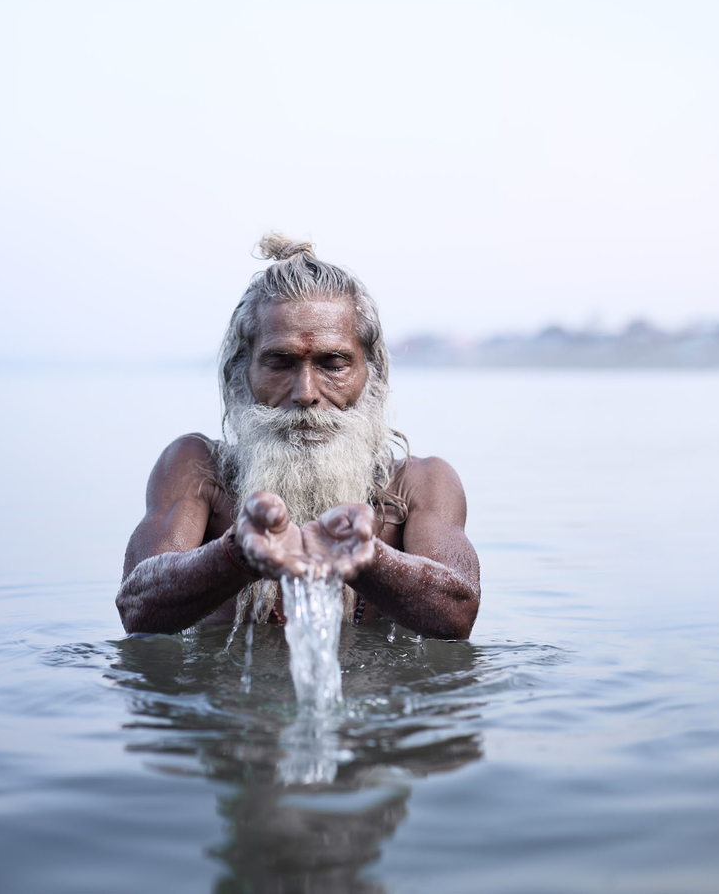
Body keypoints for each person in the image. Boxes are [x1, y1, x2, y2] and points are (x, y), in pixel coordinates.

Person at [116, 234, 480, 639]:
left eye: (333, 363)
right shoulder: (196, 468)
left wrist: (369, 560)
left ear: (370, 373)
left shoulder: (420, 483)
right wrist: (234, 555)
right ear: (243, 372)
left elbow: (458, 612)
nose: (305, 392)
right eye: (280, 362)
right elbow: (136, 606)